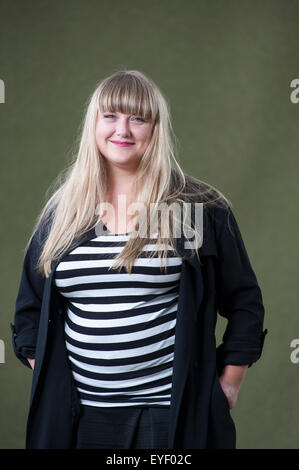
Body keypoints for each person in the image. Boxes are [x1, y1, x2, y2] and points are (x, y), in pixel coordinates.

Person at [11, 69, 268, 449]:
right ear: (94, 124)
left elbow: (245, 304)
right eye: (111, 116)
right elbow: (28, 315)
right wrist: (55, 382)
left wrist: (227, 386)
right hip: (81, 417)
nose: (123, 130)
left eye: (138, 118)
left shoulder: (197, 209)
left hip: (168, 415)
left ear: (156, 128)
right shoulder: (62, 212)